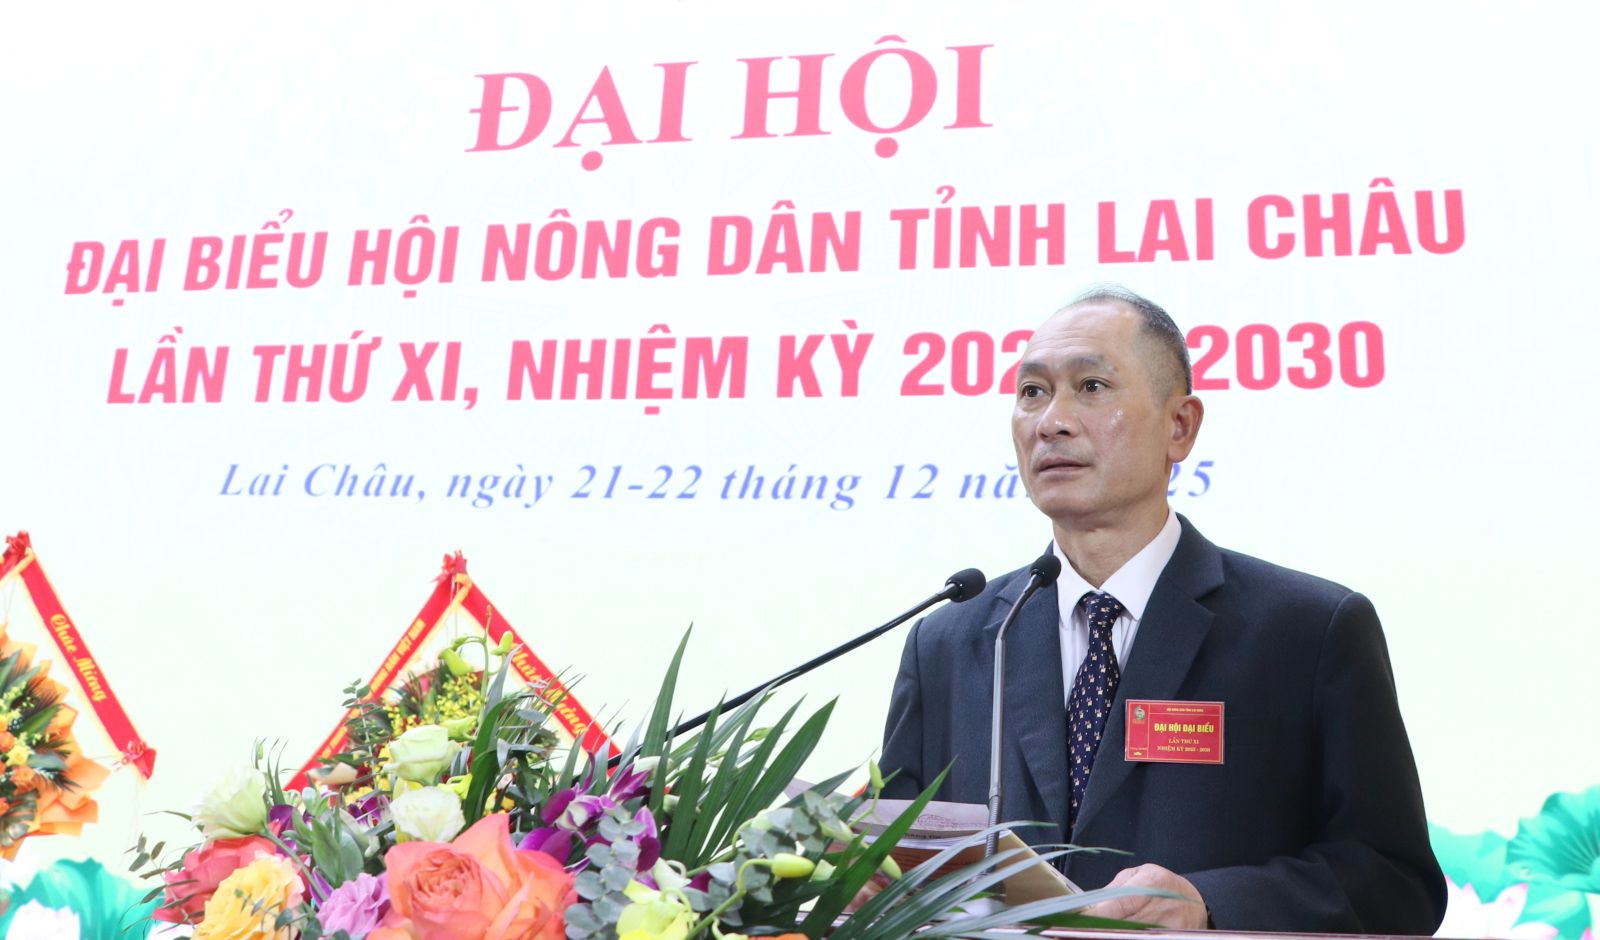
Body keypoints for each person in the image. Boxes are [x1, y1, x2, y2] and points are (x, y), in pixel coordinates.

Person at [878, 287, 1444, 932]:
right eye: (1032, 392)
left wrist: (1210, 906)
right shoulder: (952, 641)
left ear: (1180, 426)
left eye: (1091, 387)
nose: (1051, 421)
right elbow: (894, 861)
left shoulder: (1308, 630)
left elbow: (1395, 883)